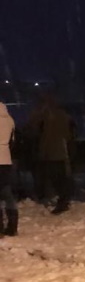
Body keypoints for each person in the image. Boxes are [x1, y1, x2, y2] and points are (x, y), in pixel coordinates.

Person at [29, 95, 75, 214]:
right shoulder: (63, 116)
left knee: (55, 177)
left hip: (50, 151)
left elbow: (34, 130)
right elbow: (68, 134)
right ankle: (63, 198)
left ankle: (61, 199)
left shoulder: (44, 116)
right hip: (59, 151)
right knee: (60, 177)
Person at [0, 101, 18, 236]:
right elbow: (12, 141)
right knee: (7, 192)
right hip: (6, 159)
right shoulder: (10, 120)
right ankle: (12, 226)